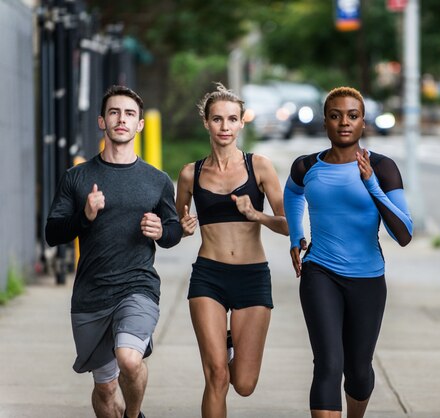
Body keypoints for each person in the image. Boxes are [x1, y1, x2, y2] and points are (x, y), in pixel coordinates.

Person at [45, 85, 183, 418]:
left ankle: (133, 415)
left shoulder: (157, 180)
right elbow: (52, 233)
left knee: (129, 358)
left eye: (129, 114)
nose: (121, 119)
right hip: (91, 294)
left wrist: (162, 231)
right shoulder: (77, 177)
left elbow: (174, 230)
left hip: (138, 287)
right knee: (105, 387)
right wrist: (85, 217)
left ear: (140, 125)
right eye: (114, 112)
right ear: (101, 121)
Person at [283, 86, 413, 418]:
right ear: (325, 122)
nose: (344, 122)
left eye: (352, 116)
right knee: (328, 361)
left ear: (363, 123)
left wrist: (371, 185)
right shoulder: (305, 166)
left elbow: (404, 234)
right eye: (335, 115)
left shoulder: (383, 168)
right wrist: (297, 237)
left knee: (358, 370)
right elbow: (293, 194)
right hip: (319, 272)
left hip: (368, 278)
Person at [175, 83, 288, 418]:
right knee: (217, 376)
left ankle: (229, 340)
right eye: (217, 119)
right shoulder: (189, 174)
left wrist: (258, 215)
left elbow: (288, 225)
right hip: (208, 275)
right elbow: (174, 225)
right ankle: (219, 351)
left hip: (252, 277)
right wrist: (181, 228)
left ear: (242, 123)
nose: (224, 126)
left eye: (231, 119)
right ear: (206, 123)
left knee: (244, 383)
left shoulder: (261, 167)